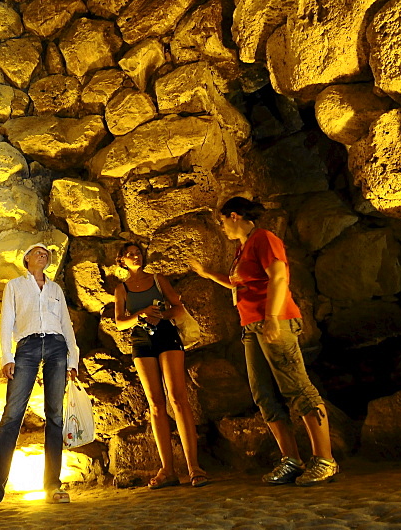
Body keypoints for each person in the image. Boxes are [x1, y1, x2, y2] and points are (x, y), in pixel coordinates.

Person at [190, 197, 338, 486]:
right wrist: (207, 274)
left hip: (275, 320)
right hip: (252, 325)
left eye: (222, 221)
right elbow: (240, 281)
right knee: (263, 394)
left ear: (234, 215)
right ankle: (291, 460)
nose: (223, 228)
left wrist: (271, 316)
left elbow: (279, 277)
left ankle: (325, 459)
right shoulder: (243, 247)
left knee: (296, 386)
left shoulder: (264, 238)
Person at [0, 243, 79, 513]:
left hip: (57, 347)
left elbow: (66, 324)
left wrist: (73, 359)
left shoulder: (55, 289)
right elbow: (7, 321)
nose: (43, 254)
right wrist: (6, 357)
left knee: (55, 415)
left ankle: (52, 485)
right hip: (27, 346)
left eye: (47, 253)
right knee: (12, 415)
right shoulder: (15, 286)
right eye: (38, 252)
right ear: (27, 259)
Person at [114, 242, 209, 489]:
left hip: (166, 336)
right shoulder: (121, 289)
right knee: (155, 404)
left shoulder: (158, 279)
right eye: (129, 254)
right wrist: (141, 314)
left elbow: (178, 308)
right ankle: (167, 469)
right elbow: (120, 322)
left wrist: (161, 315)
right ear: (122, 260)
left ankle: (193, 466)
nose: (135, 256)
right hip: (141, 342)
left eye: (138, 253)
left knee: (178, 399)